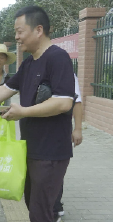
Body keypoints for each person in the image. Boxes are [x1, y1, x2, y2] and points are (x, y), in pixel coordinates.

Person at [0, 6, 75, 222]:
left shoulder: (58, 58)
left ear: (38, 30)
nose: (17, 37)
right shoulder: (29, 63)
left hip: (51, 151)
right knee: (33, 205)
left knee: (42, 211)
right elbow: (6, 89)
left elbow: (64, 102)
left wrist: (23, 112)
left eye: (20, 31)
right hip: (32, 147)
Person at [53, 73, 83, 218]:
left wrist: (77, 128)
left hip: (61, 129)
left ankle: (56, 204)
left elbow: (77, 102)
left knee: (57, 167)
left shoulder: (69, 75)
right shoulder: (33, 68)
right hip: (36, 129)